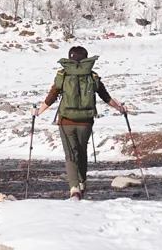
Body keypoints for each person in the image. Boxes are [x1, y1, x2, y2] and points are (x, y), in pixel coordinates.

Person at [33, 45, 127, 199]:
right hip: (86, 122)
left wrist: (38, 111)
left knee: (70, 155)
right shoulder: (92, 76)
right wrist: (120, 108)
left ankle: (74, 188)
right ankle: (82, 184)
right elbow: (105, 96)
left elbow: (52, 96)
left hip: (66, 122)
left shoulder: (63, 75)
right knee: (82, 152)